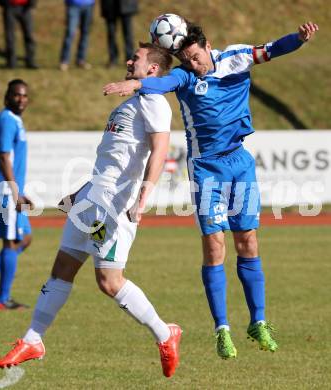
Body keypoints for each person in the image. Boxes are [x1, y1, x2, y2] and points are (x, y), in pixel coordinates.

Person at [103, 21, 319, 359]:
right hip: (206, 170)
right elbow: (165, 81)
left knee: (248, 241)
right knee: (215, 246)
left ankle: (258, 321)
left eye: (195, 57)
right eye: (186, 60)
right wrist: (135, 84)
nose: (193, 65)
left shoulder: (236, 57)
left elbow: (272, 49)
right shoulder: (186, 77)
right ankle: (222, 329)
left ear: (208, 46)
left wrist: (300, 39)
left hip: (240, 163)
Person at [0, 43, 182, 378]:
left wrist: (144, 196)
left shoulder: (154, 102)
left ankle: (165, 334)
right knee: (62, 267)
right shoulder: (133, 102)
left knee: (109, 282)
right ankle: (33, 339)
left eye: (136, 58)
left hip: (113, 207)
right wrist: (81, 192)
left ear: (153, 69)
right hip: (92, 199)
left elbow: (160, 150)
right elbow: (112, 162)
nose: (128, 60)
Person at [0, 79, 34, 310]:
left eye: (24, 95)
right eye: (16, 95)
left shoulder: (16, 120)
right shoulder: (6, 120)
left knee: (24, 238)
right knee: (11, 242)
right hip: (4, 189)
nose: (21, 99)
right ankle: (3, 299)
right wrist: (14, 192)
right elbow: (4, 157)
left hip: (11, 189)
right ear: (7, 97)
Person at [0, 0, 38, 69]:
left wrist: (32, 3)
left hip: (25, 8)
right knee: (10, 37)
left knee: (29, 35)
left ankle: (30, 61)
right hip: (10, 7)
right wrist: (4, 3)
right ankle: (11, 62)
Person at [100, 0, 138, 67]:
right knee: (111, 34)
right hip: (109, 5)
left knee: (128, 33)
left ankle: (129, 58)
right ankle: (113, 59)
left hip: (126, 4)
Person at [59, 0, 95, 71]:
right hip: (73, 4)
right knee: (70, 33)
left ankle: (81, 60)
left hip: (89, 4)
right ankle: (64, 61)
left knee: (85, 33)